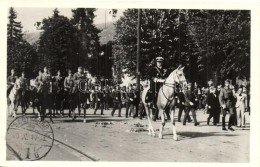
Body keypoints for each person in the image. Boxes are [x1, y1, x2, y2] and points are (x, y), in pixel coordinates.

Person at [146, 56, 168, 121]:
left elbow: (167, 77)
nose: (159, 63)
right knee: (154, 94)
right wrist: (155, 79)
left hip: (162, 85)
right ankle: (151, 104)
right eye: (158, 62)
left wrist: (164, 79)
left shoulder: (164, 70)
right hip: (155, 85)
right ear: (156, 62)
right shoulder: (153, 69)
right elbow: (149, 76)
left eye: (161, 62)